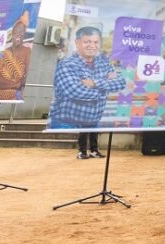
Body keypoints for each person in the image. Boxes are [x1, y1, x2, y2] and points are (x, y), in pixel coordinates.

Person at [47, 26, 128, 159]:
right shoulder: (67, 64)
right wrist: (104, 91)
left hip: (94, 116)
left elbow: (121, 82)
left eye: (95, 42)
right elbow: (75, 91)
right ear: (77, 43)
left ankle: (94, 151)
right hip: (67, 121)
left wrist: (95, 83)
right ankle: (82, 152)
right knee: (84, 132)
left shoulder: (103, 63)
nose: (92, 45)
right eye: (87, 42)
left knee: (93, 130)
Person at [0, 15, 32, 100]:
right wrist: (15, 84)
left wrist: (8, 84)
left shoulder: (27, 51)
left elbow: (25, 79)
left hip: (16, 95)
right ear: (12, 34)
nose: (18, 34)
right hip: (0, 92)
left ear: (24, 35)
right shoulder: (4, 53)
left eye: (22, 32)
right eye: (16, 31)